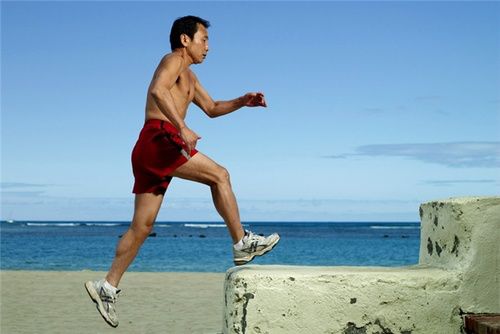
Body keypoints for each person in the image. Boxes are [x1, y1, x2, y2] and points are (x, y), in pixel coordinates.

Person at [84, 15, 280, 328]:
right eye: (204, 39)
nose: (208, 47)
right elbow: (158, 91)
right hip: (161, 137)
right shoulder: (173, 60)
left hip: (151, 145)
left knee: (142, 227)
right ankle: (241, 242)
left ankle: (106, 286)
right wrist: (182, 126)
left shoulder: (189, 76)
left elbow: (213, 108)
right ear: (185, 40)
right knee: (220, 175)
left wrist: (243, 101)